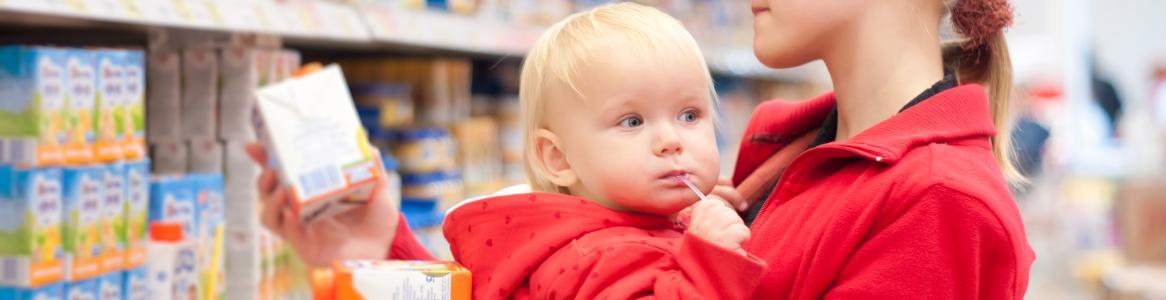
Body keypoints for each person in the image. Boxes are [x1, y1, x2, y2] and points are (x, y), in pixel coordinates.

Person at [247, 0, 1035, 298]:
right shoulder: (779, 159)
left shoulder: (934, 201)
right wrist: (373, 253)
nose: (668, 141)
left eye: (688, 113)